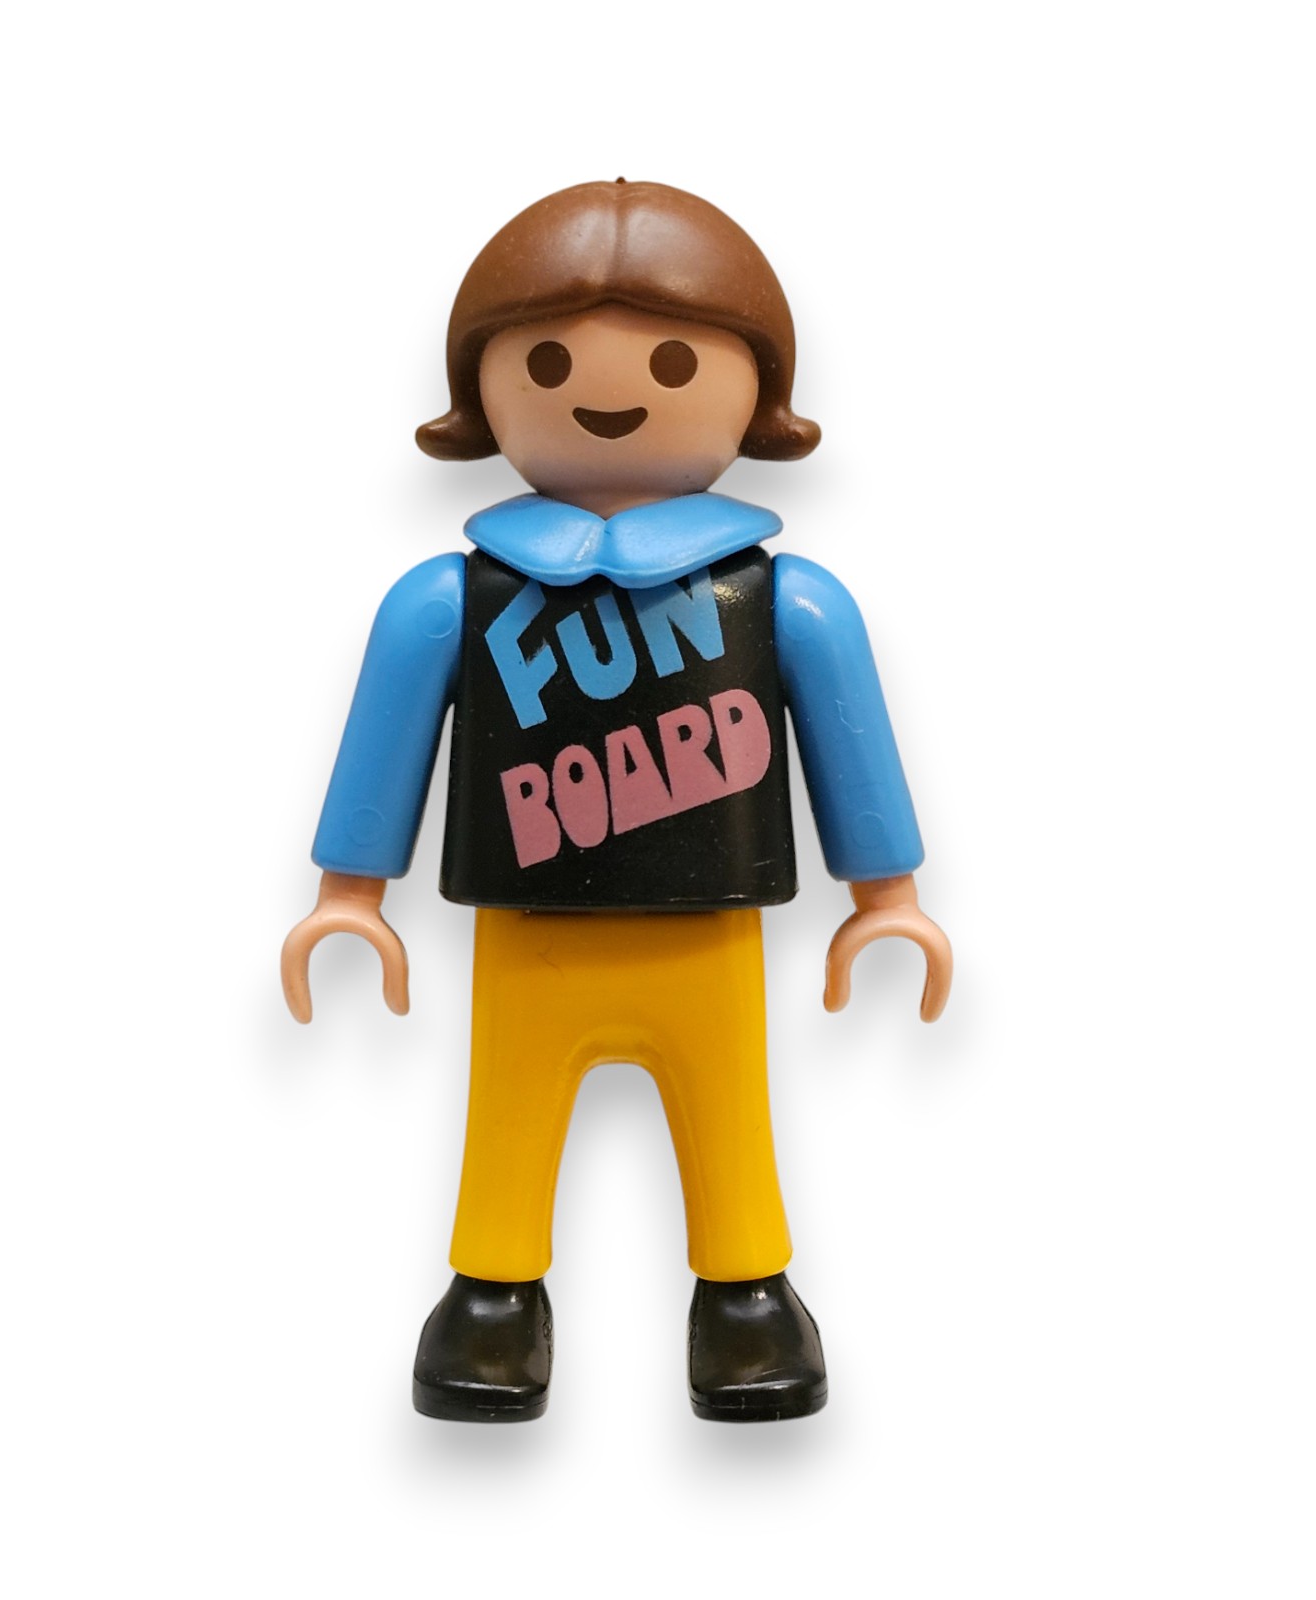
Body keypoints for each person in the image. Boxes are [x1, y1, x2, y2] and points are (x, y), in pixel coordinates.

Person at [281, 179, 952, 1423]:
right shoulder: (454, 598)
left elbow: (848, 731)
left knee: (728, 1105)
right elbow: (386, 732)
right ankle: (492, 1291)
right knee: (509, 1106)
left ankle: (745, 1292)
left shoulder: (784, 599)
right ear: (481, 389)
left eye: (674, 360)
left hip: (709, 927)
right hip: (527, 926)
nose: (607, 390)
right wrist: (348, 892)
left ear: (757, 388)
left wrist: (887, 895)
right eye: (544, 360)